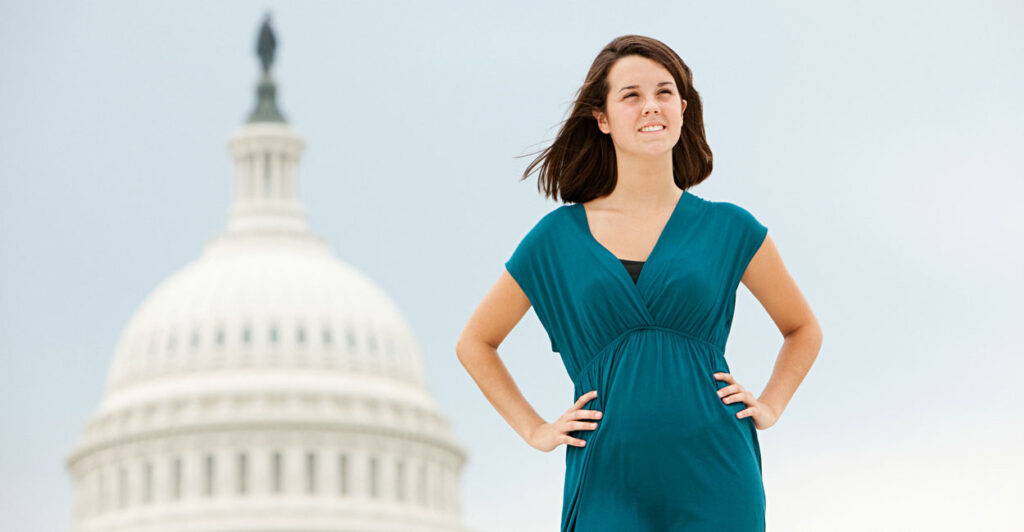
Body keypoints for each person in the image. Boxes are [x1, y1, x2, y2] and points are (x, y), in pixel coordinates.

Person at [455, 34, 822, 531]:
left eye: (664, 92)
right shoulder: (557, 238)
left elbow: (802, 328)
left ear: (683, 108)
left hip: (717, 474)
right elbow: (476, 343)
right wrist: (535, 429)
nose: (651, 106)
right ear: (602, 118)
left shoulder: (730, 228)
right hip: (607, 476)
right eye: (631, 95)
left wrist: (771, 404)